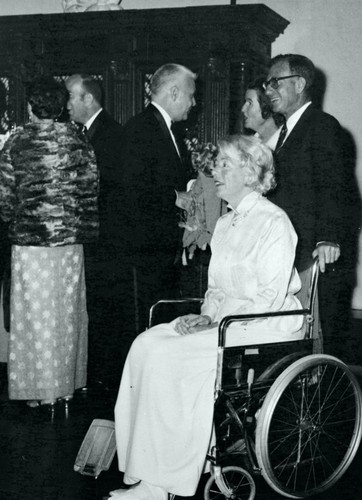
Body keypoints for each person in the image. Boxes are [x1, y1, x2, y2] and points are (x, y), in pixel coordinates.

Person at [110, 135, 303, 500]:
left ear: (250, 174)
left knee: (168, 357)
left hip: (263, 324)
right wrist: (206, 315)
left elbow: (269, 297)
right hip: (226, 321)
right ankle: (145, 468)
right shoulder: (228, 224)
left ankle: (162, 484)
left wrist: (219, 321)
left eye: (225, 164)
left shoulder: (274, 223)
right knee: (145, 345)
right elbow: (216, 289)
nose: (214, 170)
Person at [0, 76, 99, 406]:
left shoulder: (17, 141)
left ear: (30, 106)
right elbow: (89, 190)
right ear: (61, 107)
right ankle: (65, 387)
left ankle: (37, 392)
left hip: (30, 244)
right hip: (69, 244)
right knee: (65, 315)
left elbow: (4, 196)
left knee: (33, 316)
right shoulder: (78, 140)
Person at [264, 53, 352, 358]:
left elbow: (335, 186)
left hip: (310, 258)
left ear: (299, 83)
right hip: (286, 253)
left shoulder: (322, 126)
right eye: (267, 83)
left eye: (275, 81)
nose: (268, 89)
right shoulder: (283, 134)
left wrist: (328, 236)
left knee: (313, 343)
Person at [117, 63, 197, 358]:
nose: (193, 102)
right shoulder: (141, 128)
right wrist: (176, 196)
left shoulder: (166, 129)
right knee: (147, 325)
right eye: (190, 95)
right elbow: (130, 188)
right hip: (145, 248)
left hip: (161, 246)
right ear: (174, 92)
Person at [65, 74, 123, 390]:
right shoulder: (87, 133)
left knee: (103, 312)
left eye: (72, 97)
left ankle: (101, 379)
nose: (67, 104)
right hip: (92, 241)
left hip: (104, 242)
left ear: (89, 98)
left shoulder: (111, 135)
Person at [241, 76, 284, 149]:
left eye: (250, 103)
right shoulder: (249, 146)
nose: (243, 109)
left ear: (266, 106)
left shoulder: (283, 145)